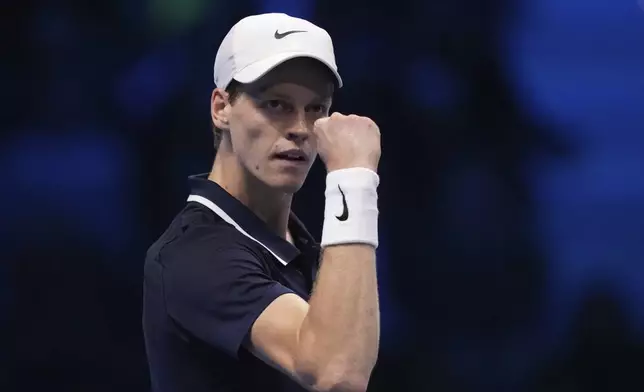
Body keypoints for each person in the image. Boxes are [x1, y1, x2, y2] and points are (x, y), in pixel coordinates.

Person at [143, 12, 382, 392]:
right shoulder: (195, 253)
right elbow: (336, 373)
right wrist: (353, 179)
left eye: (316, 108)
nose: (301, 129)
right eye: (276, 104)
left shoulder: (305, 247)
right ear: (221, 107)